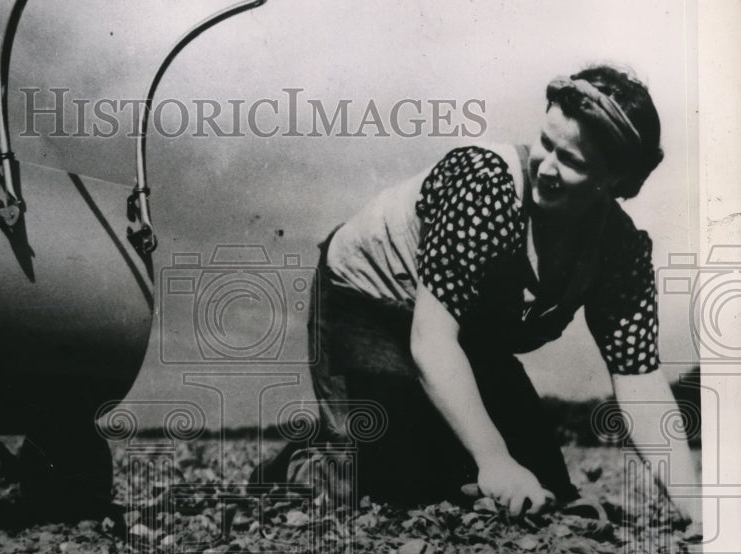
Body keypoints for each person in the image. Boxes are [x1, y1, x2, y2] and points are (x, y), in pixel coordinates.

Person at [252, 64, 701, 524]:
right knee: (395, 478)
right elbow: (432, 340)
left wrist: (693, 506)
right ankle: (301, 463)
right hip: (369, 299)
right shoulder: (487, 184)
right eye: (546, 144)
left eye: (573, 162)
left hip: (467, 330)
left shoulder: (621, 250)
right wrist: (494, 460)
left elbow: (639, 379)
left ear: (617, 182)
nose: (546, 167)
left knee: (545, 490)